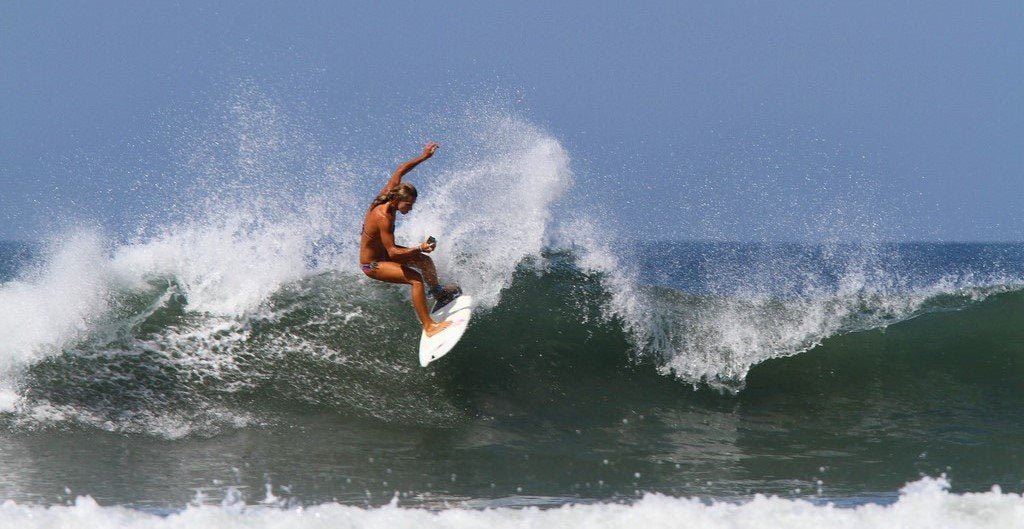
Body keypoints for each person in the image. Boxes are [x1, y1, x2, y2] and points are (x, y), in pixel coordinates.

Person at [359, 141, 461, 337]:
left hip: (384, 256)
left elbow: (400, 170)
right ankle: (429, 327)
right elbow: (393, 252)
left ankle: (439, 293)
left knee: (425, 262)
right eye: (409, 205)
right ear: (398, 201)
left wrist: (424, 157)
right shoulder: (383, 218)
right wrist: (419, 247)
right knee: (415, 280)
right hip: (371, 265)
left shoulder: (390, 193)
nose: (410, 208)